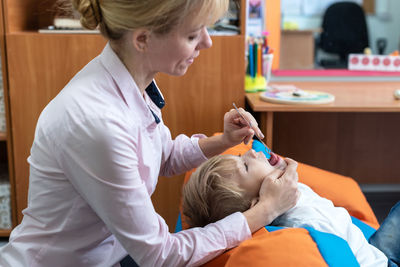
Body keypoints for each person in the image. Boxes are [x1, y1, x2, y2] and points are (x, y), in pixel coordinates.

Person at [0, 0, 300, 266]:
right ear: (143, 39)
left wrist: (222, 141)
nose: (207, 43)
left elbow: (162, 156)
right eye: (193, 34)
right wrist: (266, 210)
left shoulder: (131, 84)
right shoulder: (97, 122)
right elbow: (159, 256)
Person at [182, 149, 400, 267]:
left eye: (240, 156)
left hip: (373, 249)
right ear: (257, 204)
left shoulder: (285, 189)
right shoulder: (303, 225)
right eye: (246, 166)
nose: (251, 153)